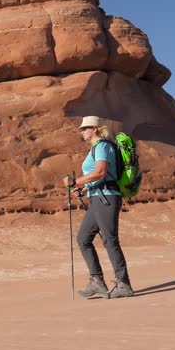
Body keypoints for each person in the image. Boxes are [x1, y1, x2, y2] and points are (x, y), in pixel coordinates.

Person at [63, 116, 134, 299]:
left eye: (84, 128)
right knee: (83, 239)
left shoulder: (102, 146)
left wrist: (75, 182)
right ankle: (97, 281)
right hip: (97, 197)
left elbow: (101, 172)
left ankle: (123, 284)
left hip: (106, 198)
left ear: (94, 128)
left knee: (110, 241)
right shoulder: (96, 148)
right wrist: (84, 188)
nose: (81, 132)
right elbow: (100, 176)